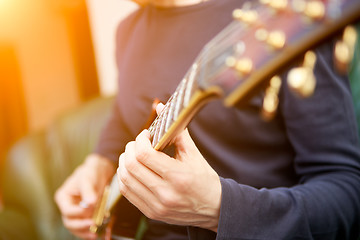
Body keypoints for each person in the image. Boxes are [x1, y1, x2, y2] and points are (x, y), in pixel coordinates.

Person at [55, 0, 360, 239]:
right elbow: (127, 115)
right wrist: (99, 161)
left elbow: (347, 194)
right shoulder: (128, 31)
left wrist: (217, 208)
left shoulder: (280, 19)